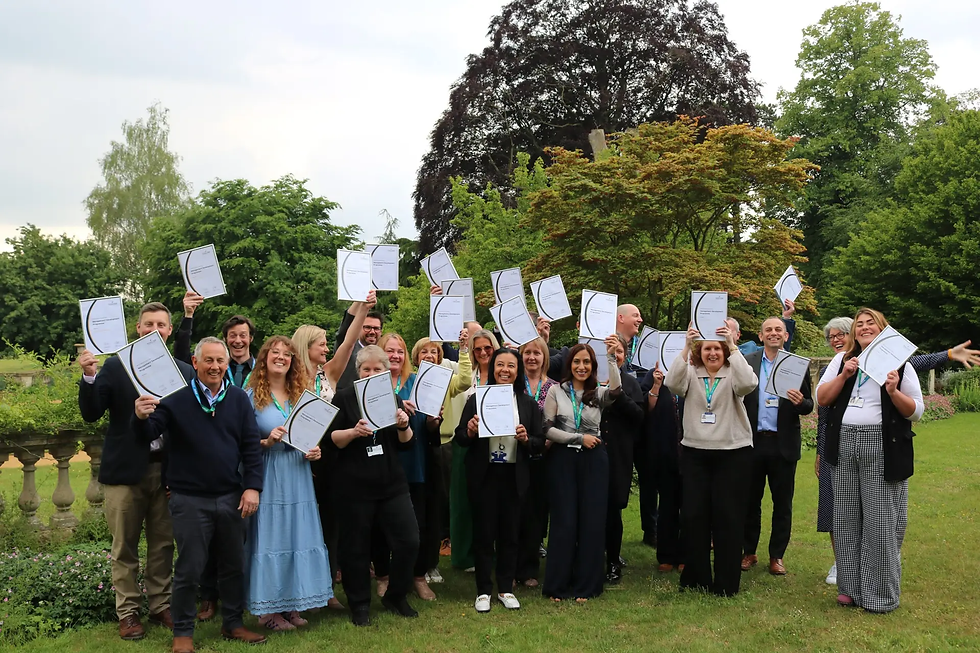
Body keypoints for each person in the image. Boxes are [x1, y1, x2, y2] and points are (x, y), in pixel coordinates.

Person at [815, 320, 980, 585]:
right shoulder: (837, 365)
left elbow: (915, 364)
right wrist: (820, 450)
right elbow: (823, 411)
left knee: (877, 513)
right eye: (831, 336)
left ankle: (877, 569)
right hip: (836, 446)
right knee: (838, 510)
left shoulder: (886, 360)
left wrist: (949, 354)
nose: (836, 340)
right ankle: (844, 566)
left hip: (877, 446)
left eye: (841, 334)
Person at [133, 337, 266, 652]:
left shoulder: (238, 399)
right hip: (189, 499)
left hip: (231, 497)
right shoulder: (176, 398)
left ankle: (233, 623)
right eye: (209, 360)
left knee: (233, 566)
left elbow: (250, 447)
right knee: (190, 569)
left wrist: (252, 487)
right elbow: (149, 433)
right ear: (195, 363)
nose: (215, 366)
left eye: (220, 361)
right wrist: (140, 416)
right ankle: (183, 632)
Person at [77, 301, 195, 641]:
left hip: (168, 472)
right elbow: (91, 412)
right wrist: (89, 376)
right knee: (124, 547)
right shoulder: (115, 366)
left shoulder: (183, 372)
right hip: (125, 472)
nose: (154, 330)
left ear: (169, 330)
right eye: (148, 324)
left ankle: (160, 605)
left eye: (161, 324)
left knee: (163, 545)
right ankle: (128, 612)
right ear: (138, 328)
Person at [817, 308, 925, 613]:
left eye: (871, 324)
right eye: (860, 324)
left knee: (880, 521)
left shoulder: (900, 364)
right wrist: (845, 375)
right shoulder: (843, 360)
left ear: (882, 329)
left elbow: (916, 411)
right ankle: (850, 589)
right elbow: (822, 398)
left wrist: (892, 391)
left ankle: (880, 596)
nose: (864, 328)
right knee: (845, 518)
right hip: (844, 443)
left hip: (881, 445)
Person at [324, 345, 419, 627]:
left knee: (409, 540)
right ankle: (360, 604)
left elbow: (407, 444)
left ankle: (396, 595)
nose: (371, 373)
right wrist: (353, 432)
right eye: (366, 369)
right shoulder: (344, 398)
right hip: (354, 486)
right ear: (358, 372)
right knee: (355, 548)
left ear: (385, 372)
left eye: (378, 369)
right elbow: (331, 439)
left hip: (391, 483)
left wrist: (403, 425)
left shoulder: (393, 398)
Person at [243, 336, 333, 630]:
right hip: (269, 471)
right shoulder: (250, 396)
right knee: (272, 537)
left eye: (286, 354)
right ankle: (268, 612)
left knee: (297, 535)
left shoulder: (301, 395)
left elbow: (310, 435)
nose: (281, 357)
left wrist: (315, 451)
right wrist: (266, 442)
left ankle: (292, 604)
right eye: (275, 352)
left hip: (298, 472)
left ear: (293, 360)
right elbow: (239, 443)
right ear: (265, 357)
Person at [292, 292, 374, 606]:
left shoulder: (329, 373)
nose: (327, 348)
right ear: (306, 346)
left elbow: (349, 342)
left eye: (327, 344)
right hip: (300, 458)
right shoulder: (289, 380)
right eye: (321, 344)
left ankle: (326, 590)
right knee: (303, 525)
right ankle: (299, 589)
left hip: (332, 457)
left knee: (331, 524)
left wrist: (364, 307)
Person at [665, 322, 757, 597]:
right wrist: (685, 347)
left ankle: (726, 583)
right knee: (694, 517)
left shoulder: (734, 371)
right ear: (700, 351)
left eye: (717, 348)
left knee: (728, 518)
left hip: (732, 453)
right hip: (696, 453)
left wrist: (732, 346)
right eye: (707, 349)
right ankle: (697, 578)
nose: (713, 353)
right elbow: (672, 384)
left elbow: (749, 383)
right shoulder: (691, 372)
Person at [455, 347, 545, 612]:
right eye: (500, 365)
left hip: (514, 476)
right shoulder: (477, 399)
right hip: (485, 475)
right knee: (484, 534)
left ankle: (505, 588)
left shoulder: (527, 403)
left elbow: (539, 442)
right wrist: (470, 431)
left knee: (510, 534)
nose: (505, 370)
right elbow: (460, 437)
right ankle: (483, 591)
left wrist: (527, 439)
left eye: (511, 366)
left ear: (518, 371)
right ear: (493, 368)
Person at [542, 335, 622, 602]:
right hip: (563, 460)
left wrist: (611, 357)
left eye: (587, 362)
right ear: (569, 364)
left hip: (593, 460)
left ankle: (587, 586)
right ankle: (557, 586)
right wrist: (578, 438)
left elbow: (616, 391)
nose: (581, 366)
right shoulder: (556, 391)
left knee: (592, 521)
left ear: (592, 366)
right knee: (564, 521)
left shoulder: (598, 393)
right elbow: (548, 429)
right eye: (577, 361)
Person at [740, 318, 814, 576]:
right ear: (761, 336)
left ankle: (777, 556)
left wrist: (800, 402)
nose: (773, 333)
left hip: (783, 444)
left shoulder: (797, 365)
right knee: (750, 501)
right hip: (752, 442)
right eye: (768, 330)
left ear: (786, 336)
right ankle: (749, 552)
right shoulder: (748, 361)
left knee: (782, 504)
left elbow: (809, 405)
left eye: (778, 330)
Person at [373, 333, 441, 602]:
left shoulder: (417, 382)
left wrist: (435, 421)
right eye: (390, 350)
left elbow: (429, 425)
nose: (395, 356)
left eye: (400, 351)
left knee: (419, 523)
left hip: (416, 462)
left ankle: (418, 576)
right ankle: (383, 576)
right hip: (383, 463)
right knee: (380, 525)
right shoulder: (373, 385)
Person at [410, 333, 472, 584]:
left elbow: (465, 380)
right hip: (414, 446)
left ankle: (432, 562)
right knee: (418, 505)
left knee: (438, 503)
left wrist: (464, 349)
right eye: (424, 352)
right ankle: (414, 562)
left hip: (443, 445)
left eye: (434, 351)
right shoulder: (410, 381)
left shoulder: (446, 379)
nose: (429, 355)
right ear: (416, 357)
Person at [451, 329, 500, 572]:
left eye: (487, 348)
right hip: (467, 441)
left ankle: (491, 552)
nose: (482, 352)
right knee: (463, 500)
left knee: (493, 501)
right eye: (477, 348)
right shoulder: (466, 375)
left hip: (497, 443)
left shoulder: (503, 373)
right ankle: (463, 555)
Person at [602, 335, 645, 585]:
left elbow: (639, 416)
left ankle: (613, 560)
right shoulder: (588, 378)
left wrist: (618, 395)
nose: (613, 354)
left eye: (618, 351)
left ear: (625, 355)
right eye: (609, 350)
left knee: (613, 511)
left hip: (618, 454)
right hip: (590, 452)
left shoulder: (630, 382)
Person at [515, 337, 558, 587]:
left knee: (536, 514)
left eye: (537, 353)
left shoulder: (555, 387)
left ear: (544, 357)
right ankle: (511, 566)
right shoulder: (513, 385)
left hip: (546, 458)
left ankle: (529, 568)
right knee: (515, 512)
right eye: (527, 352)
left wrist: (547, 441)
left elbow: (561, 419)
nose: (532, 357)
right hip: (517, 456)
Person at [639, 362, 684, 573]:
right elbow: (648, 409)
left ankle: (686, 555)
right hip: (665, 452)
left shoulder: (693, 372)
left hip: (691, 452)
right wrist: (656, 385)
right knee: (667, 506)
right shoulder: (654, 374)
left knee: (690, 507)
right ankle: (666, 555)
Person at [334, 302, 385, 389]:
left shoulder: (384, 353)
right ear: (358, 328)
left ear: (381, 331)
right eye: (367, 327)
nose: (372, 332)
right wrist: (359, 300)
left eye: (376, 328)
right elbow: (344, 329)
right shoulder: (348, 349)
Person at [726, 299, 796, 356]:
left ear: (738, 335)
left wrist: (786, 317)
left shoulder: (749, 351)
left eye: (727, 330)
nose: (724, 333)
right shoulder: (718, 356)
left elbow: (777, 348)